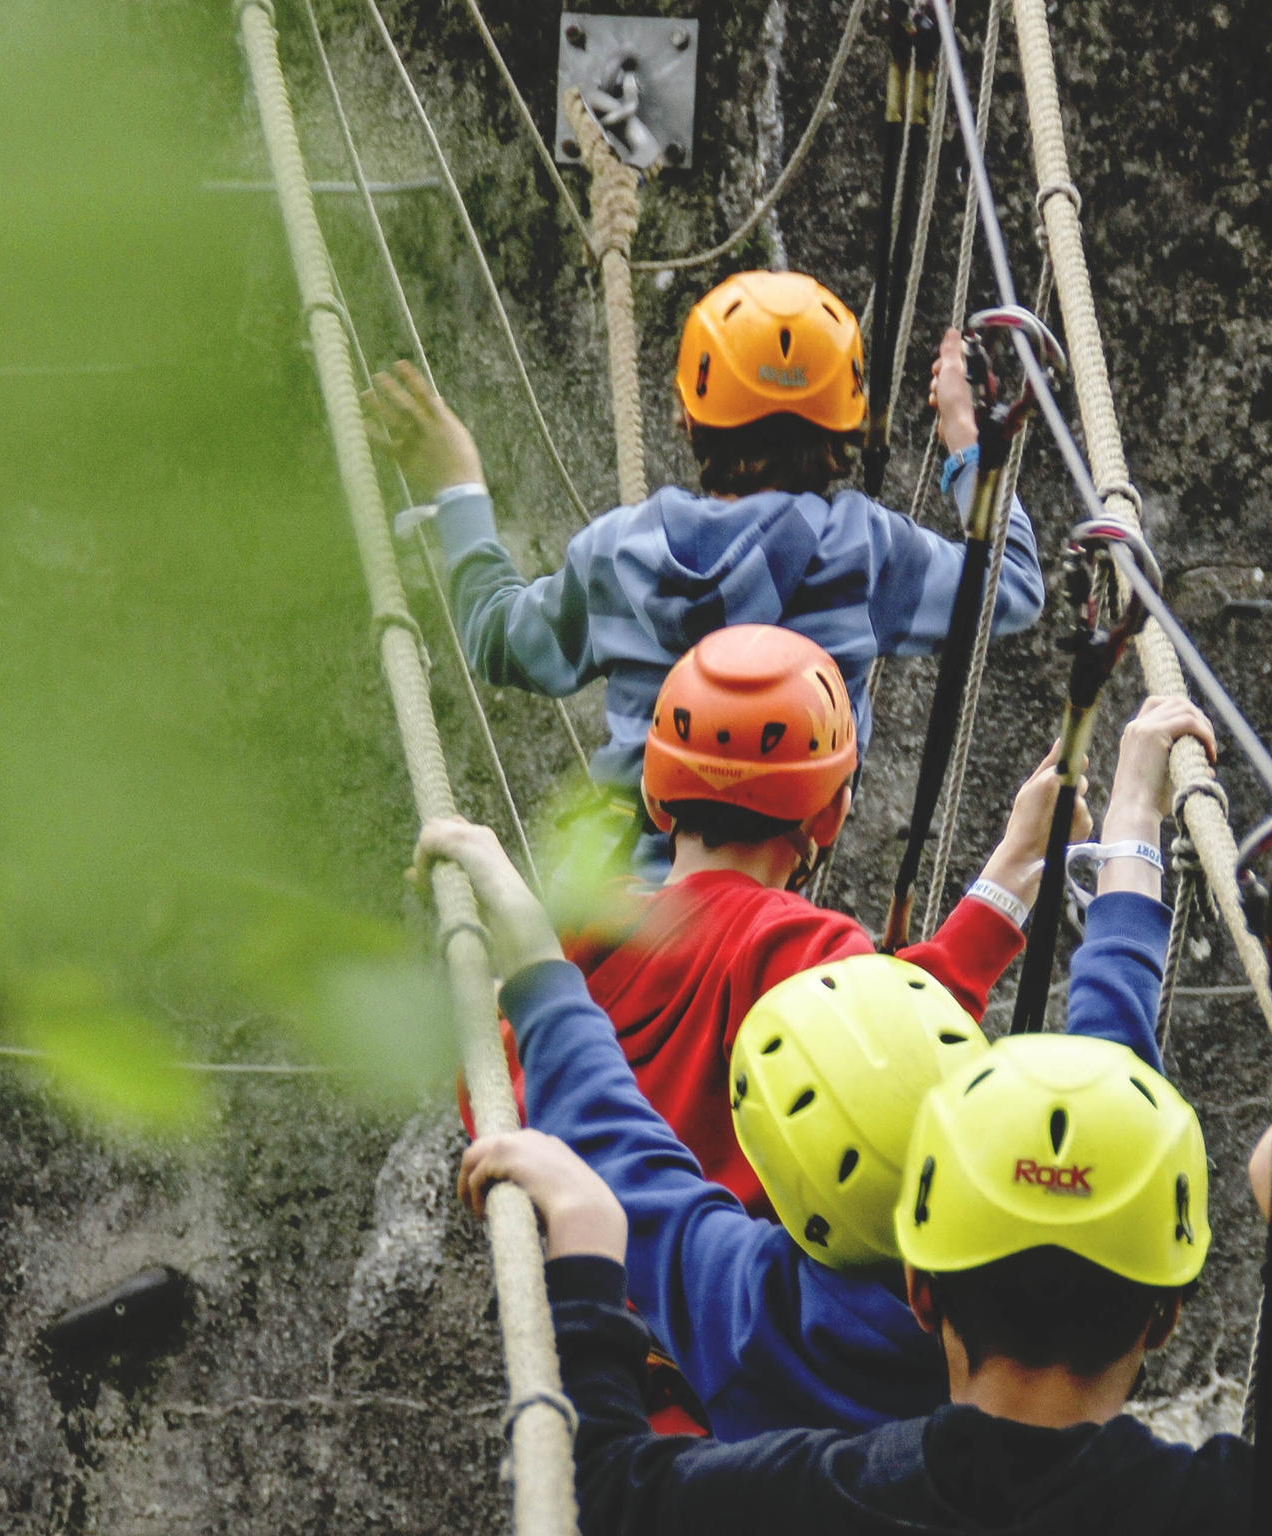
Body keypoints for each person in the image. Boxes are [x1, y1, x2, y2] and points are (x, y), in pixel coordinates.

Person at [418, 695, 1223, 1440]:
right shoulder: (807, 947)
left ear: (659, 801)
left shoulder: (758, 1317)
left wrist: (531, 965)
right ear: (1160, 1316)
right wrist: (1127, 822)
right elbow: (1093, 1082)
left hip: (672, 1406)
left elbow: (616, 1140)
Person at [461, 1059, 1272, 1535]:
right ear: (1165, 1314)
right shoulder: (1231, 1511)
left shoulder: (816, 1498)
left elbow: (590, 1493)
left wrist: (588, 1246)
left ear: (920, 1293)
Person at [364, 269, 1044, 855]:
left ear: (686, 416)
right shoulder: (866, 556)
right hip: (766, 917)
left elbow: (497, 638)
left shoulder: (622, 552)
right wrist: (965, 437)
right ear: (851, 421)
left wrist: (456, 488)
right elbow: (1012, 589)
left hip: (612, 914)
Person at [467, 623, 1091, 1218]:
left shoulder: (584, 938)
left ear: (656, 801)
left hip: (579, 1277)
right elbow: (907, 1042)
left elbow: (506, 1087)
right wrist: (1017, 863)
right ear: (830, 815)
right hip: (722, 1302)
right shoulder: (796, 945)